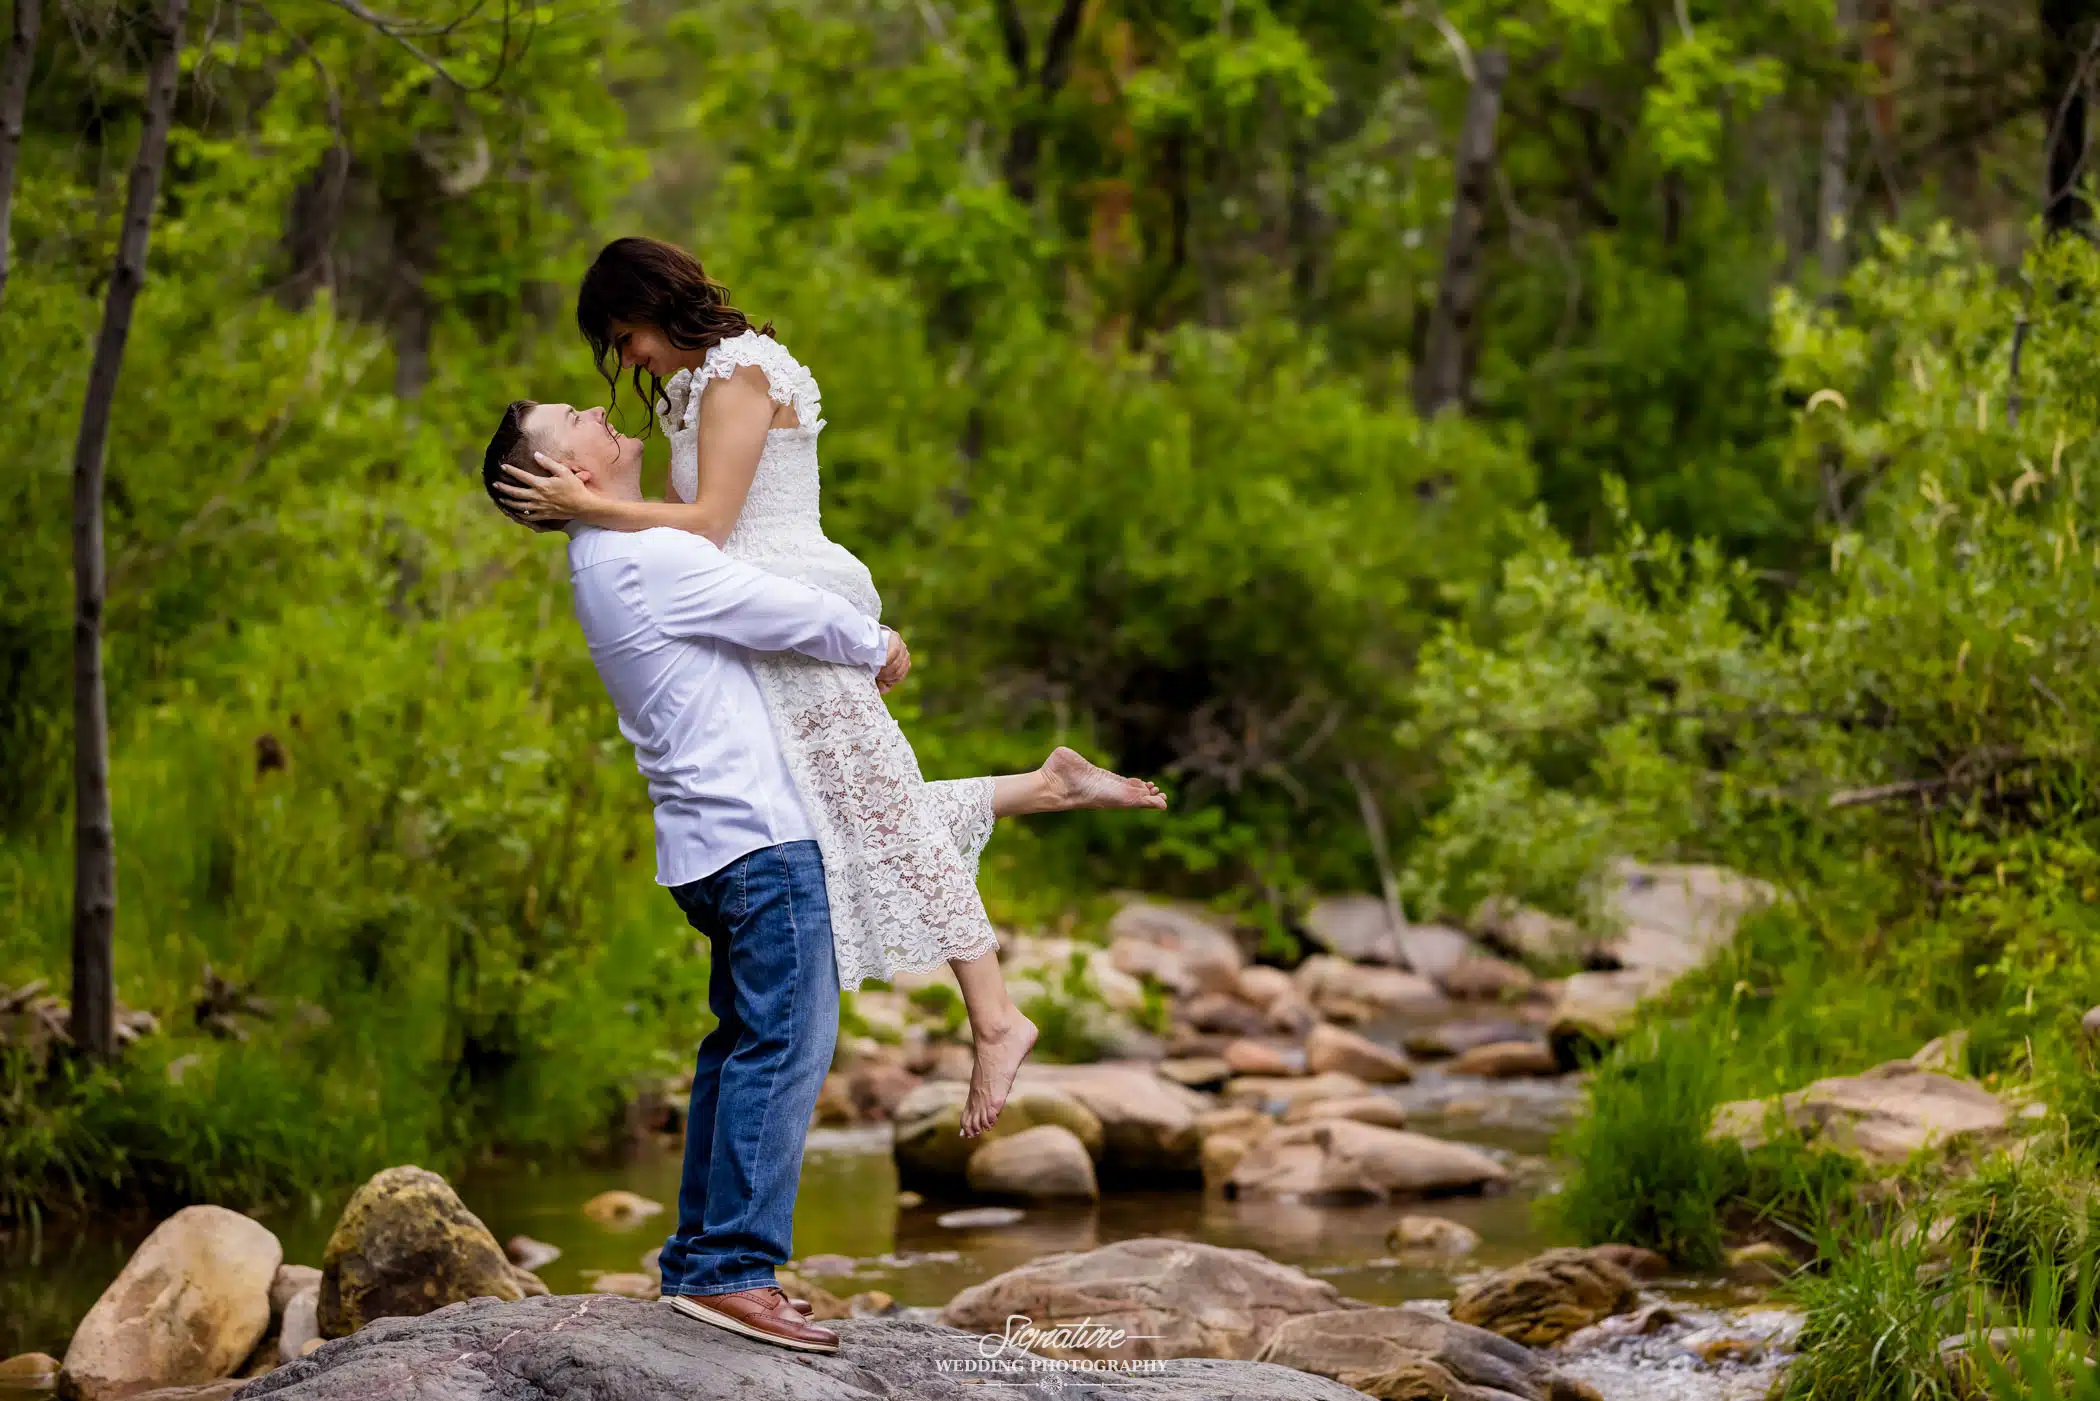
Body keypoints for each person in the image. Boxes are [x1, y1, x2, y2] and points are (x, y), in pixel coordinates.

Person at [495, 236, 1165, 1139]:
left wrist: (592, 509)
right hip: (755, 617)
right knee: (850, 808)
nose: (630, 360)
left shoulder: (738, 374)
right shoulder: (695, 387)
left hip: (792, 605)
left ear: (654, 305)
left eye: (626, 337)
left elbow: (709, 523)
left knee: (874, 807)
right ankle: (1047, 786)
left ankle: (997, 1015)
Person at [481, 399, 880, 1352]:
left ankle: (700, 1256)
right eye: (573, 417)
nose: (598, 407)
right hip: (760, 837)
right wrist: (879, 643)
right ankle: (731, 1268)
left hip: (715, 843)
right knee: (783, 1046)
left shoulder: (609, 558)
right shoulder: (645, 557)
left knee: (739, 1045)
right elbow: (790, 614)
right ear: (567, 475)